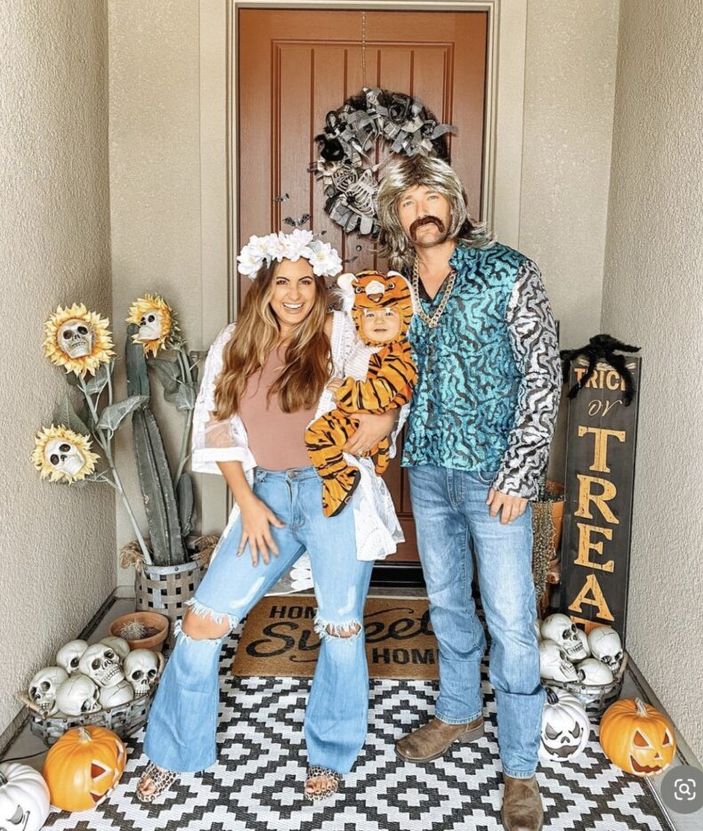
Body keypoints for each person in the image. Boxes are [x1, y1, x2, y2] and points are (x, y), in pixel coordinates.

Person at [135, 230, 400, 804]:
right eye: (283, 281)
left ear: (321, 285)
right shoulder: (237, 343)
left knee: (341, 625)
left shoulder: (340, 331)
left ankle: (331, 751)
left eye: (306, 281)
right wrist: (248, 503)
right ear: (264, 286)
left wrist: (384, 418)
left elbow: (388, 376)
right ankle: (176, 748)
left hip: (335, 492)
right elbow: (218, 424)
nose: (295, 293)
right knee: (204, 621)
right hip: (268, 495)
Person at [376, 155, 561, 831]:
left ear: (454, 203)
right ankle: (458, 710)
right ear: (396, 217)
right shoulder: (393, 288)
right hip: (426, 469)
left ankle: (520, 769)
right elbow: (386, 372)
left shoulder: (510, 270)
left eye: (431, 195)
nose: (419, 208)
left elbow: (544, 371)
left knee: (511, 618)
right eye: (406, 201)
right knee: (449, 602)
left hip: (494, 476)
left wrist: (521, 474)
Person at [305, 269, 417, 517]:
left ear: (404, 318)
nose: (379, 321)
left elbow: (384, 393)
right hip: (354, 410)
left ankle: (340, 478)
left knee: (317, 436)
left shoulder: (397, 354)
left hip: (361, 412)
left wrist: (345, 391)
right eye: (370, 314)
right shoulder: (365, 347)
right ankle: (377, 452)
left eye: (389, 313)